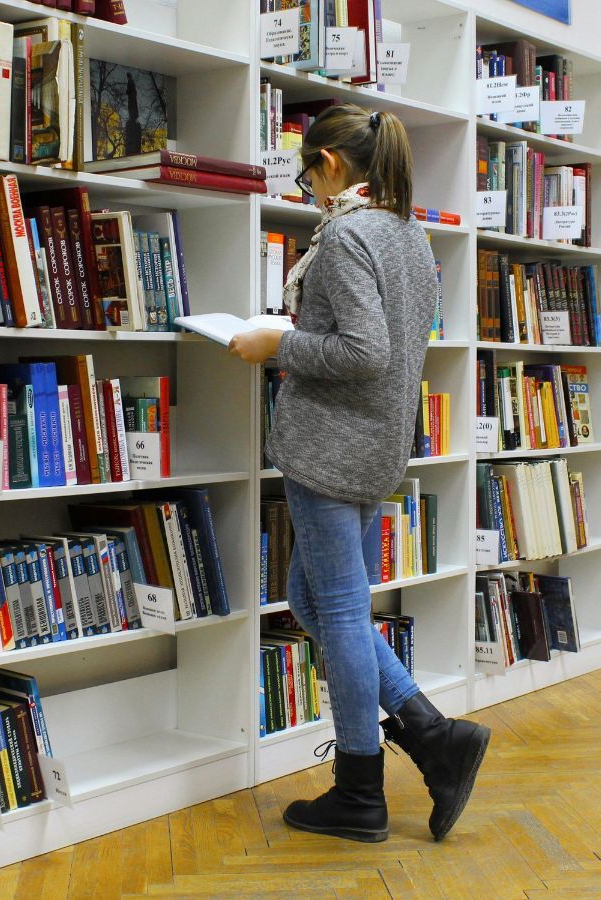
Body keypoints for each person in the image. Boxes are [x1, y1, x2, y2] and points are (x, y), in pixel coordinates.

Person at [229, 105, 489, 844]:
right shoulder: (409, 234)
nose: (308, 188)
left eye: (308, 173)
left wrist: (276, 344)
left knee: (337, 610)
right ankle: (431, 732)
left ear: (333, 166)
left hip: (330, 446)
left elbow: (363, 352)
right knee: (310, 597)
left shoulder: (345, 236)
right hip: (376, 444)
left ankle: (359, 790)